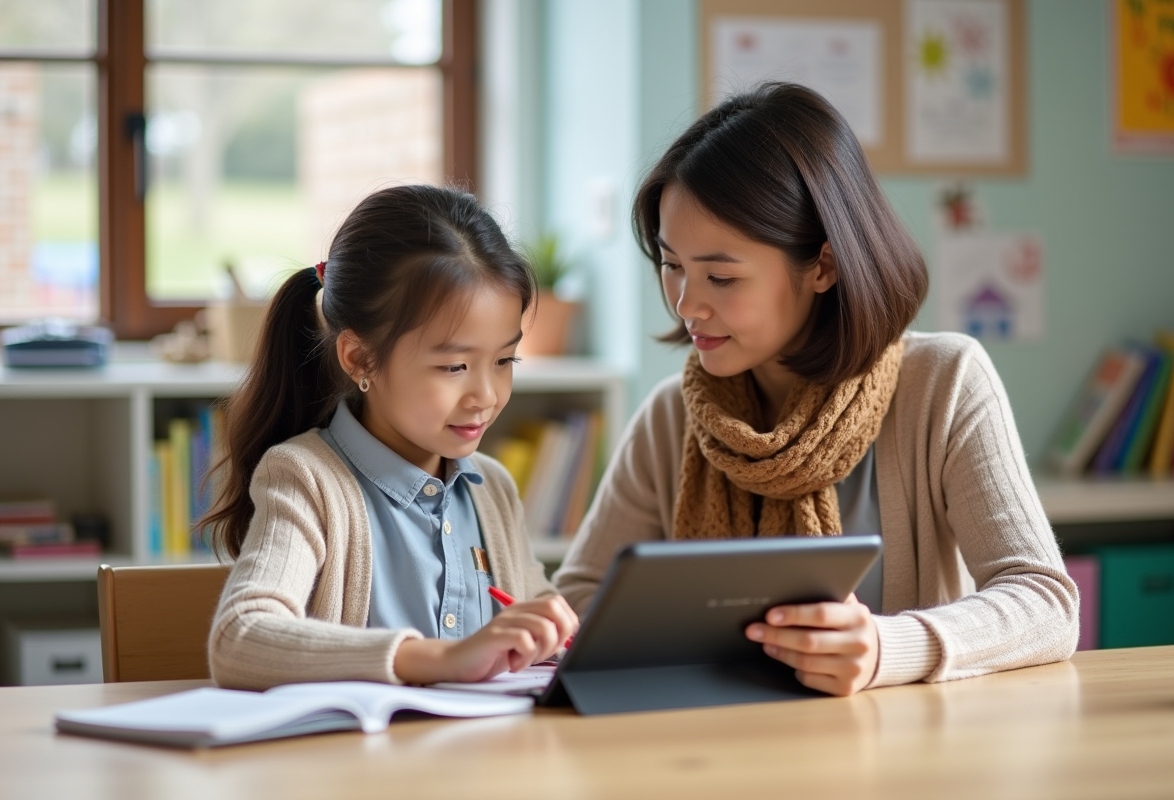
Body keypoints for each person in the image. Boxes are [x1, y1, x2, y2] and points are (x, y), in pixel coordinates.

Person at [553, 83, 1078, 697]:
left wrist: (887, 647)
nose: (686, 304)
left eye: (721, 276)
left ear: (823, 266)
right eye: (672, 265)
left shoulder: (943, 383)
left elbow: (1045, 603)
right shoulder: (672, 417)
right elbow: (577, 599)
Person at [204, 185, 577, 691]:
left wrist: (552, 632)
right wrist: (441, 658)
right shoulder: (306, 478)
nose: (486, 395)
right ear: (359, 358)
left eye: (505, 361)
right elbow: (240, 639)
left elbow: (541, 630)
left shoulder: (492, 489)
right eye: (454, 366)